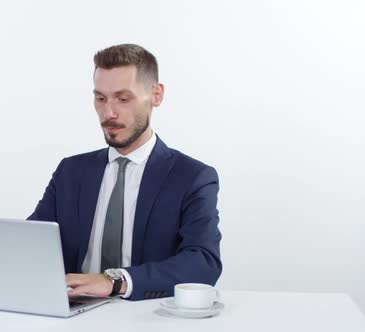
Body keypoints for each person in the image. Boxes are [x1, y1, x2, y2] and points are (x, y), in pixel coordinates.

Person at [28, 44, 222, 301]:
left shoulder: (192, 177)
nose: (109, 113)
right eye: (100, 98)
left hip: (146, 316)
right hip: (73, 313)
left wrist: (114, 282)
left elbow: (203, 263)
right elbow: (32, 244)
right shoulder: (71, 172)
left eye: (123, 98)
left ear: (156, 95)